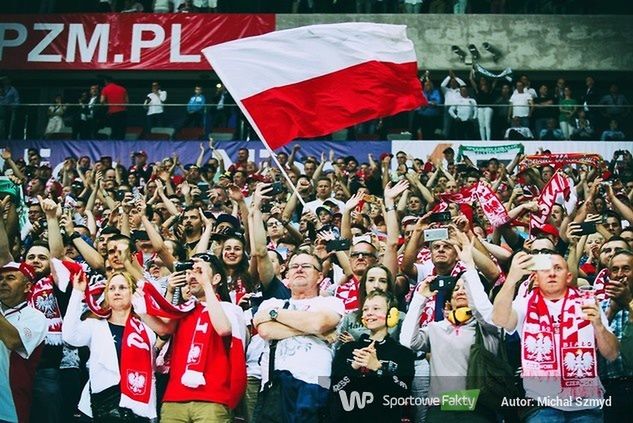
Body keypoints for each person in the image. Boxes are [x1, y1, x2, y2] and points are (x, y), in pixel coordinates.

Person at [492, 252, 619, 422]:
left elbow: (612, 354)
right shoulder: (525, 303)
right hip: (541, 404)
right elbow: (499, 320)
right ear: (536, 278)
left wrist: (598, 325)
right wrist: (512, 279)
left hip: (587, 405)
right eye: (545, 270)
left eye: (558, 268)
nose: (551, 273)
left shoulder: (588, 302)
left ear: (568, 277)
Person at [400, 235, 500, 422]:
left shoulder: (487, 328)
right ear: (448, 302)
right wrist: (420, 298)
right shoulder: (437, 328)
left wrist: (470, 268)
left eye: (466, 288)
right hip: (440, 407)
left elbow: (485, 312)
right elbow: (407, 341)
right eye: (456, 289)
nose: (461, 291)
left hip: (478, 407)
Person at [136, 254, 246, 423]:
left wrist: (206, 285)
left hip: (212, 399)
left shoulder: (229, 309)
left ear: (216, 278)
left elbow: (223, 329)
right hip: (174, 398)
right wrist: (141, 310)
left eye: (199, 270)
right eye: (189, 272)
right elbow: (164, 329)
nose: (193, 276)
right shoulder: (184, 309)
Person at [252, 252, 344, 422]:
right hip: (275, 385)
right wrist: (314, 331)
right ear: (287, 275)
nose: (299, 269)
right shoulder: (272, 304)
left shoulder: (331, 302)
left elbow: (319, 323)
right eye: (294, 266)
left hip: (318, 383)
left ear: (320, 276)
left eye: (307, 266)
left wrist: (276, 317)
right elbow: (265, 330)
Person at [62, 271, 157, 421]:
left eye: (122, 287)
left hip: (135, 410)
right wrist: (77, 292)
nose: (116, 292)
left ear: (133, 293)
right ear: (106, 295)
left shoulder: (146, 331)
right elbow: (69, 336)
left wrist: (150, 412)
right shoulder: (94, 326)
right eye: (111, 288)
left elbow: (150, 374)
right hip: (98, 407)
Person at [330, 290, 414, 423]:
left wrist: (378, 368)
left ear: (391, 314)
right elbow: (334, 389)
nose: (369, 313)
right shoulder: (347, 349)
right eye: (365, 309)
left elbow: (402, 395)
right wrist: (353, 368)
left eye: (376, 308)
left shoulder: (403, 353)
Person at [0, 261, 47, 423]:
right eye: (0, 279)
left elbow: (13, 341)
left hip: (10, 406)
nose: (3, 283)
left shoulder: (36, 318)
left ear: (27, 287)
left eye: (10, 278)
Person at [335, 264, 405, 349]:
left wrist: (356, 344)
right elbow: (338, 351)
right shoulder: (350, 318)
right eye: (371, 280)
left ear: (389, 286)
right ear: (364, 285)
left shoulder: (401, 318)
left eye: (382, 281)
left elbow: (406, 353)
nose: (376, 285)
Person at [599, 250, 633, 422]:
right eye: (615, 270)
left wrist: (628, 303)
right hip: (608, 390)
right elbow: (591, 350)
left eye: (626, 269)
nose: (620, 275)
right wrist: (611, 311)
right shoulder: (599, 307)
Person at [100, 76, 129, 140]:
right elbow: (127, 101)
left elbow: (102, 101)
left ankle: (114, 146)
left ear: (106, 82)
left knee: (114, 130)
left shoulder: (105, 89)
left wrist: (107, 105)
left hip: (112, 112)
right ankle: (121, 144)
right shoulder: (123, 89)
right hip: (123, 112)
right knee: (122, 130)